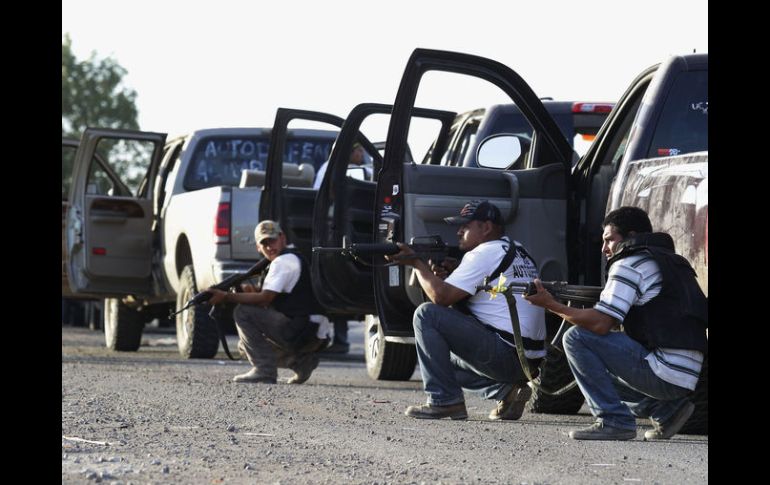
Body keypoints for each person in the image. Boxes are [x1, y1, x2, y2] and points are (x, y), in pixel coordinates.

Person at [524, 206, 707, 440]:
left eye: (609, 240)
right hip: (687, 375)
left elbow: (602, 324)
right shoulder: (670, 261)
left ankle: (613, 420)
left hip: (665, 372)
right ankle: (667, 411)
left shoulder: (629, 263)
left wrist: (551, 305)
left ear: (630, 237)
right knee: (592, 367)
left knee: (576, 338)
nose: (604, 249)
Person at [387, 200, 546, 420]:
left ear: (487, 227)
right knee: (435, 354)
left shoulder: (484, 253)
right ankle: (507, 392)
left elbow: (440, 297)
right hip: (529, 361)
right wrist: (454, 270)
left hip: (508, 355)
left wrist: (416, 263)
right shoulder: (517, 249)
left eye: (466, 225)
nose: (459, 231)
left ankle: (444, 401)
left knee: (427, 315)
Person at [207, 220, 327, 384]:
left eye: (273, 240)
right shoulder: (293, 256)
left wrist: (226, 296)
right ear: (258, 247)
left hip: (303, 330)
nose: (270, 246)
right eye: (264, 243)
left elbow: (265, 299)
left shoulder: (282, 262)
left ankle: (264, 370)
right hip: (314, 331)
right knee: (245, 346)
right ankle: (301, 363)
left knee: (243, 312)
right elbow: (277, 296)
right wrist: (250, 292)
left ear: (282, 238)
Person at [314, 141, 368, 353]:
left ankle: (339, 339)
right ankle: (332, 338)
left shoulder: (339, 169)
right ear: (349, 151)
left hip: (336, 230)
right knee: (335, 281)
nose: (362, 154)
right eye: (359, 150)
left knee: (339, 282)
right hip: (332, 232)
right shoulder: (333, 170)